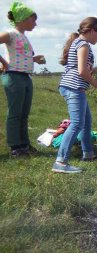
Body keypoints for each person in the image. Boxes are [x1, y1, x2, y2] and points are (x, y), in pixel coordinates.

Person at [52, 17, 97, 174]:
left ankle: (88, 154)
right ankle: (61, 161)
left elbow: (84, 67)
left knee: (86, 122)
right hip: (73, 88)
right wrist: (95, 83)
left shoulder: (80, 43)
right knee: (77, 123)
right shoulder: (83, 44)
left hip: (74, 87)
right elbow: (81, 71)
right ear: (92, 30)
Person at [0, 1, 46, 157]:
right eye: (33, 20)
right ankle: (15, 146)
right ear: (23, 18)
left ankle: (24, 144)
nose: (35, 24)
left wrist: (34, 59)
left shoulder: (23, 37)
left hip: (25, 77)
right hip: (13, 77)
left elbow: (20, 55)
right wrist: (3, 62)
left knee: (24, 113)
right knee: (15, 113)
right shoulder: (10, 33)